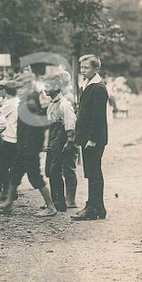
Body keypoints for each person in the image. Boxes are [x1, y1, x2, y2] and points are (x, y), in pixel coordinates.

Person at [0, 84, 57, 217]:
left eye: (22, 88)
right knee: (14, 174)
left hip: (29, 150)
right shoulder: (24, 104)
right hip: (23, 149)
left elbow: (37, 132)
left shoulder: (30, 107)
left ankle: (51, 207)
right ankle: (9, 202)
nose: (19, 90)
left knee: (35, 178)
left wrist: (35, 147)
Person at [73, 54, 109, 221]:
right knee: (91, 171)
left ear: (96, 69)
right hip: (87, 136)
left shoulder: (98, 87)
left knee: (94, 171)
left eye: (86, 68)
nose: (82, 70)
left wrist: (93, 139)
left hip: (93, 139)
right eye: (81, 68)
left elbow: (98, 116)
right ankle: (97, 206)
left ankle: (93, 207)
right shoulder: (88, 84)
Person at [43, 71, 78, 211]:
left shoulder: (64, 104)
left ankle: (59, 203)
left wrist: (69, 141)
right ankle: (54, 200)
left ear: (57, 87)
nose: (45, 89)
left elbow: (70, 124)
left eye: (48, 86)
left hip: (61, 139)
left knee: (55, 170)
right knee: (50, 171)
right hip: (53, 140)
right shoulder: (51, 104)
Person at [0, 80, 20, 200]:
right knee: (7, 165)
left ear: (5, 91)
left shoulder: (10, 103)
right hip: (15, 137)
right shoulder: (16, 101)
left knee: (1, 165)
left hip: (10, 138)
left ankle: (7, 191)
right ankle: (9, 191)